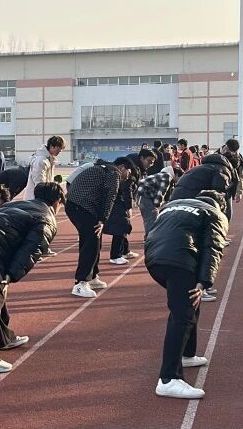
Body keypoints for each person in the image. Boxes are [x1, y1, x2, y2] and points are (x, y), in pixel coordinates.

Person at [0, 182, 64, 372]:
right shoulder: (47, 218)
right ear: (57, 201)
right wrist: (11, 274)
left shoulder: (19, 204)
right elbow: (32, 249)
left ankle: (3, 338)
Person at [145, 190, 228, 399]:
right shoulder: (215, 214)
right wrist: (203, 283)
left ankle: (187, 354)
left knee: (189, 305)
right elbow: (213, 248)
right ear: (221, 206)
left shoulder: (173, 205)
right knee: (182, 314)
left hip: (154, 258)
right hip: (179, 260)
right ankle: (168, 379)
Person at [65, 157, 132, 298]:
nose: (128, 176)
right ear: (122, 167)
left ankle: (92, 276)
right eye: (129, 171)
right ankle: (80, 283)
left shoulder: (101, 169)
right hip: (82, 206)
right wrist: (103, 219)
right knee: (91, 242)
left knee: (94, 240)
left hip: (76, 204)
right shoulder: (114, 173)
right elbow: (110, 196)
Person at [136, 165, 176, 237]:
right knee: (152, 218)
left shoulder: (160, 175)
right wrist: (159, 205)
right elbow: (160, 194)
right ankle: (151, 238)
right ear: (176, 174)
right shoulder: (167, 177)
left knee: (149, 218)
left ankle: (150, 236)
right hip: (145, 196)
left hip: (141, 194)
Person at [25, 136, 65, 201]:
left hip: (42, 196)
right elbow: (39, 183)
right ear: (52, 146)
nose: (60, 150)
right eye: (59, 148)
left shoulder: (49, 159)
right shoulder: (41, 160)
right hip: (36, 199)